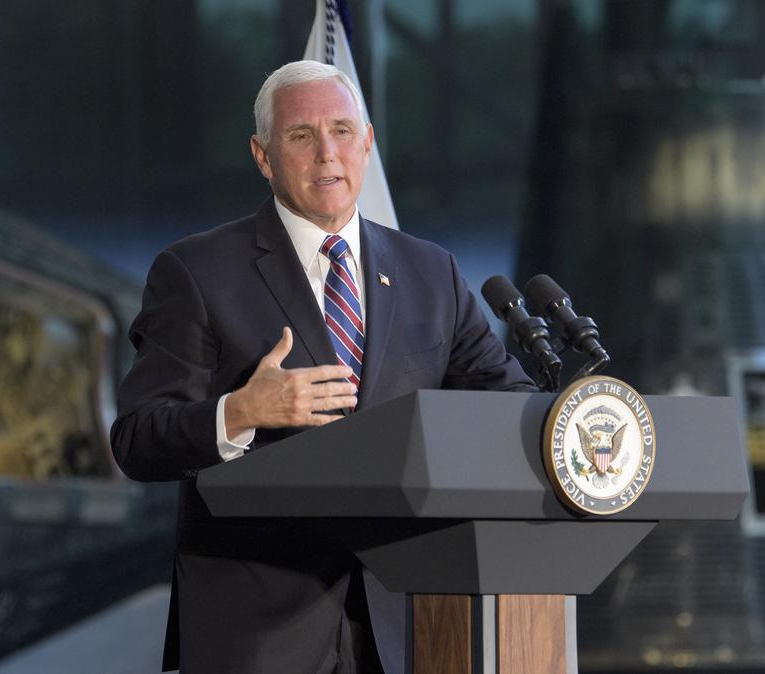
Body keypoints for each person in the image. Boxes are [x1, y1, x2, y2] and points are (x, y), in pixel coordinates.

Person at [111, 60, 535, 674]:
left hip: (411, 622)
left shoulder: (430, 272)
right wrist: (240, 413)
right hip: (258, 631)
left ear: (367, 143)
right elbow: (136, 440)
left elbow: (505, 403)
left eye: (341, 131)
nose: (326, 154)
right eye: (301, 136)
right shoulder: (196, 273)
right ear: (262, 156)